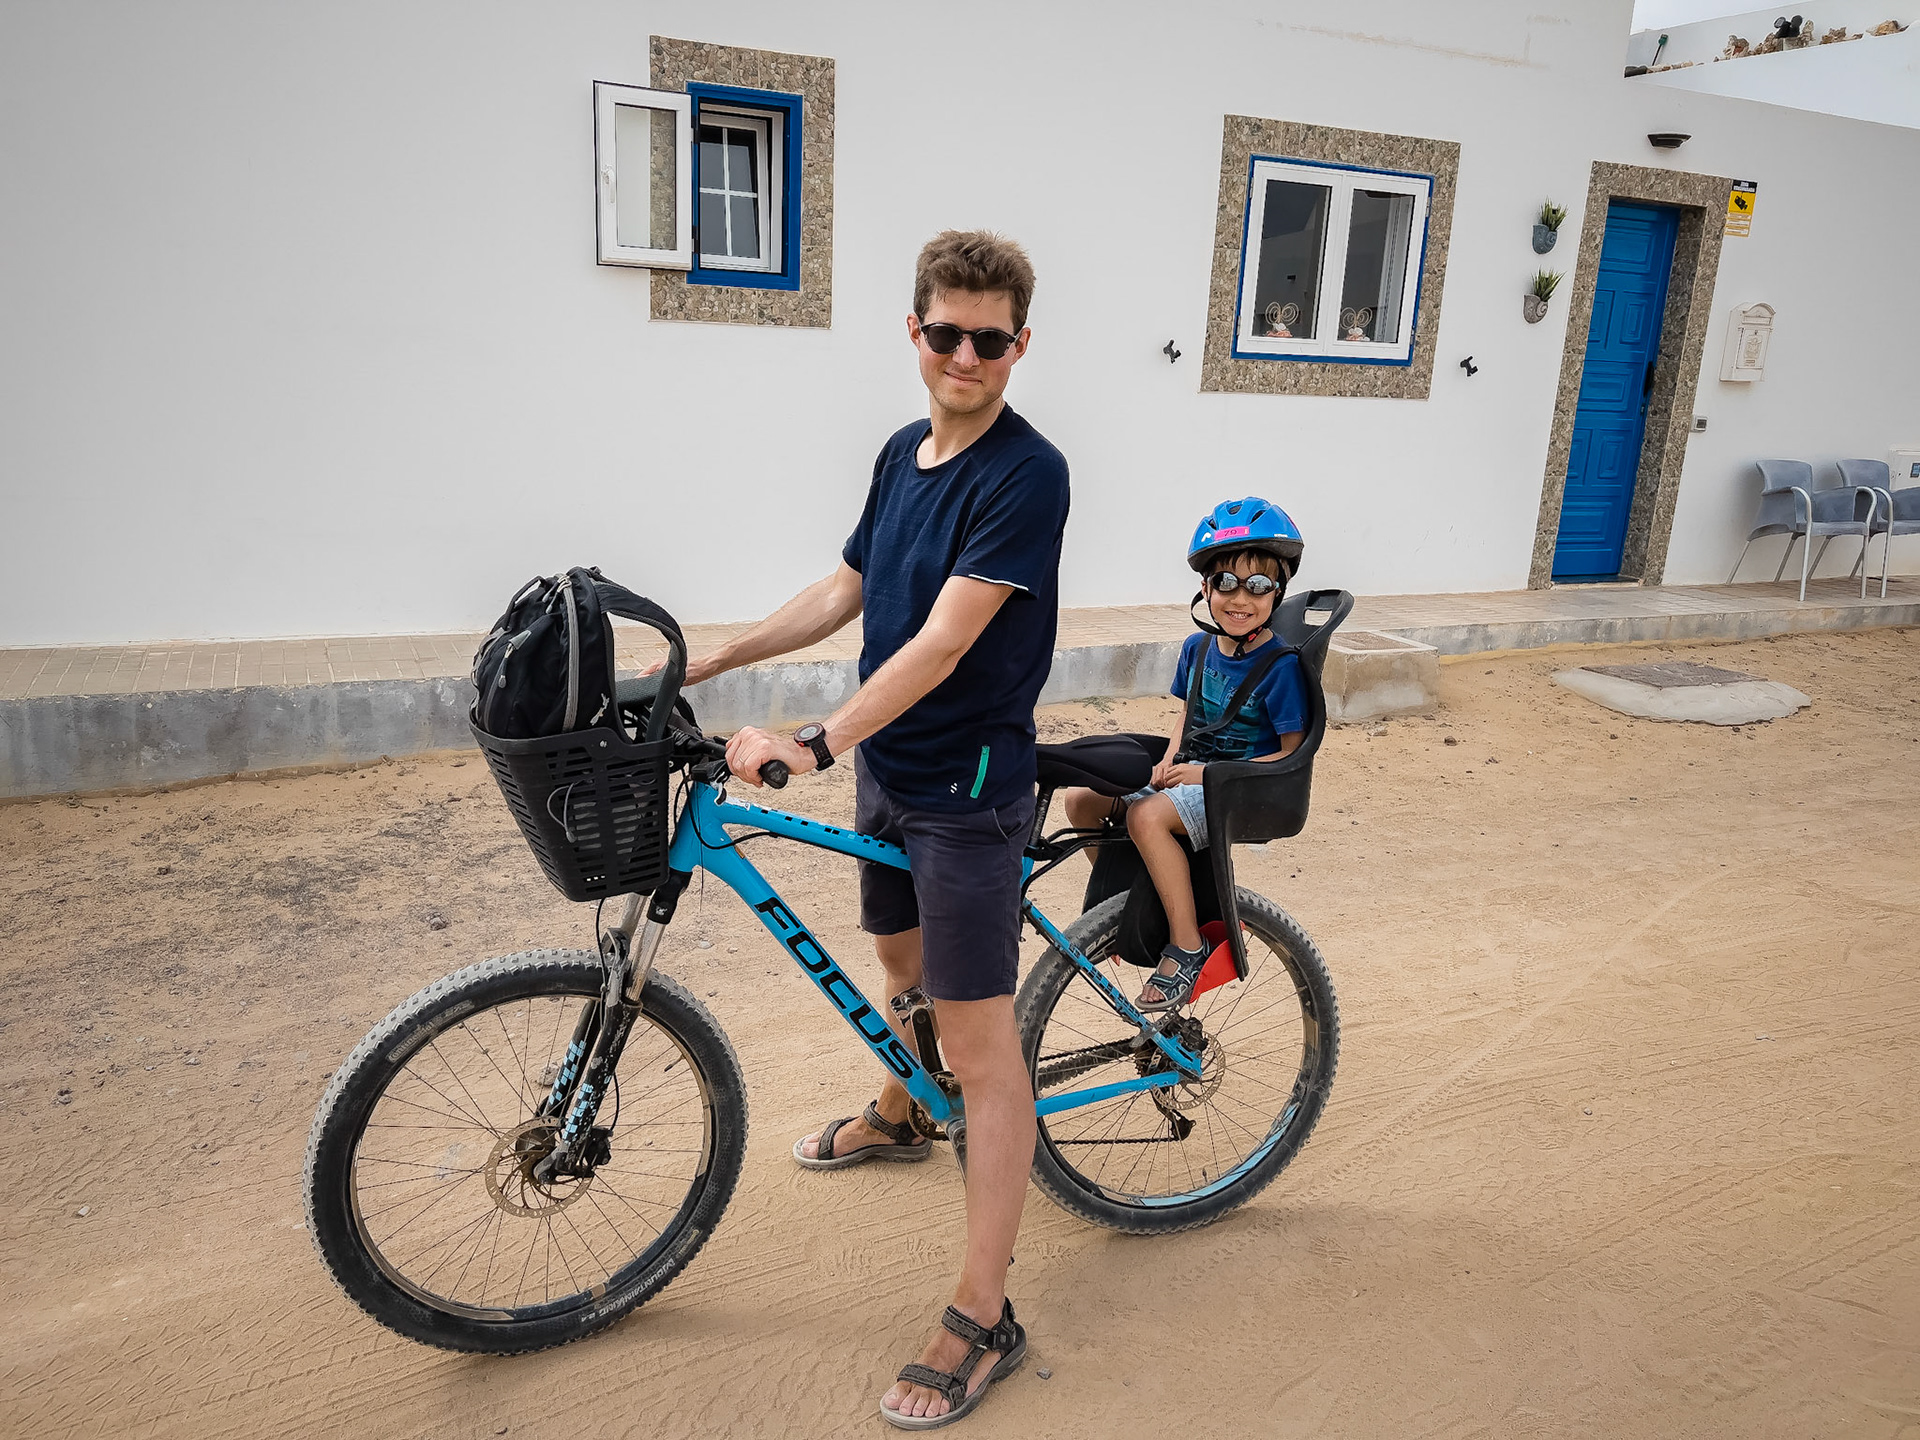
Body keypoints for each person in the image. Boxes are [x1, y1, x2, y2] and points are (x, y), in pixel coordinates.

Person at [682, 230, 1068, 1429]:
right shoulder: (903, 453)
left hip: (969, 787)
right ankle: (906, 1109)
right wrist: (716, 655)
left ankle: (984, 1312)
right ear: (914, 334)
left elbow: (946, 639)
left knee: (982, 1042)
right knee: (895, 969)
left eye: (988, 340)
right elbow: (849, 585)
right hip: (891, 766)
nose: (965, 355)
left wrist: (818, 737)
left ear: (1018, 346)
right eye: (944, 333)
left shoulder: (1027, 472)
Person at [1062, 499, 1308, 1010]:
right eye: (1227, 583)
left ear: (1277, 592)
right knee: (1084, 800)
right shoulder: (1197, 649)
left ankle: (1187, 943)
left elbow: (1290, 757)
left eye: (1259, 586)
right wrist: (1168, 763)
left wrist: (1203, 776)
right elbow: (1186, 717)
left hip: (1238, 787)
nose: (1242, 598)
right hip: (1192, 773)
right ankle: (1125, 906)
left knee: (1148, 816)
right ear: (1205, 588)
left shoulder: (1281, 666)